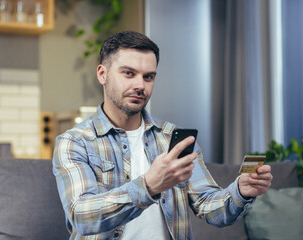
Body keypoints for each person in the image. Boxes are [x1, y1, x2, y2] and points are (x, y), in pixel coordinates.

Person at [53, 31, 273, 240]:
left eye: (148, 77)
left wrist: (240, 191)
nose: (140, 85)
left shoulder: (172, 138)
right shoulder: (74, 142)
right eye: (128, 73)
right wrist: (148, 186)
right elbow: (81, 216)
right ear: (103, 74)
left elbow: (208, 207)